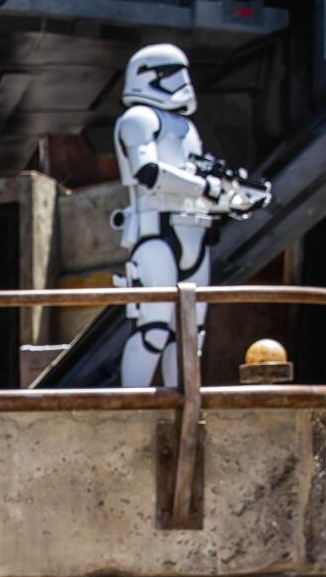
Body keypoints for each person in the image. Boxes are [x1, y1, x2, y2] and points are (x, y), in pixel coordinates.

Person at [112, 43, 270, 387]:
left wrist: (234, 198)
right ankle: (130, 408)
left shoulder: (185, 128)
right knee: (152, 330)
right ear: (149, 77)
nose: (182, 81)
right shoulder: (139, 119)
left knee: (189, 335)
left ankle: (183, 408)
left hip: (193, 233)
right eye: (171, 74)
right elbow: (149, 172)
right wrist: (208, 188)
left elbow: (198, 183)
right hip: (155, 235)